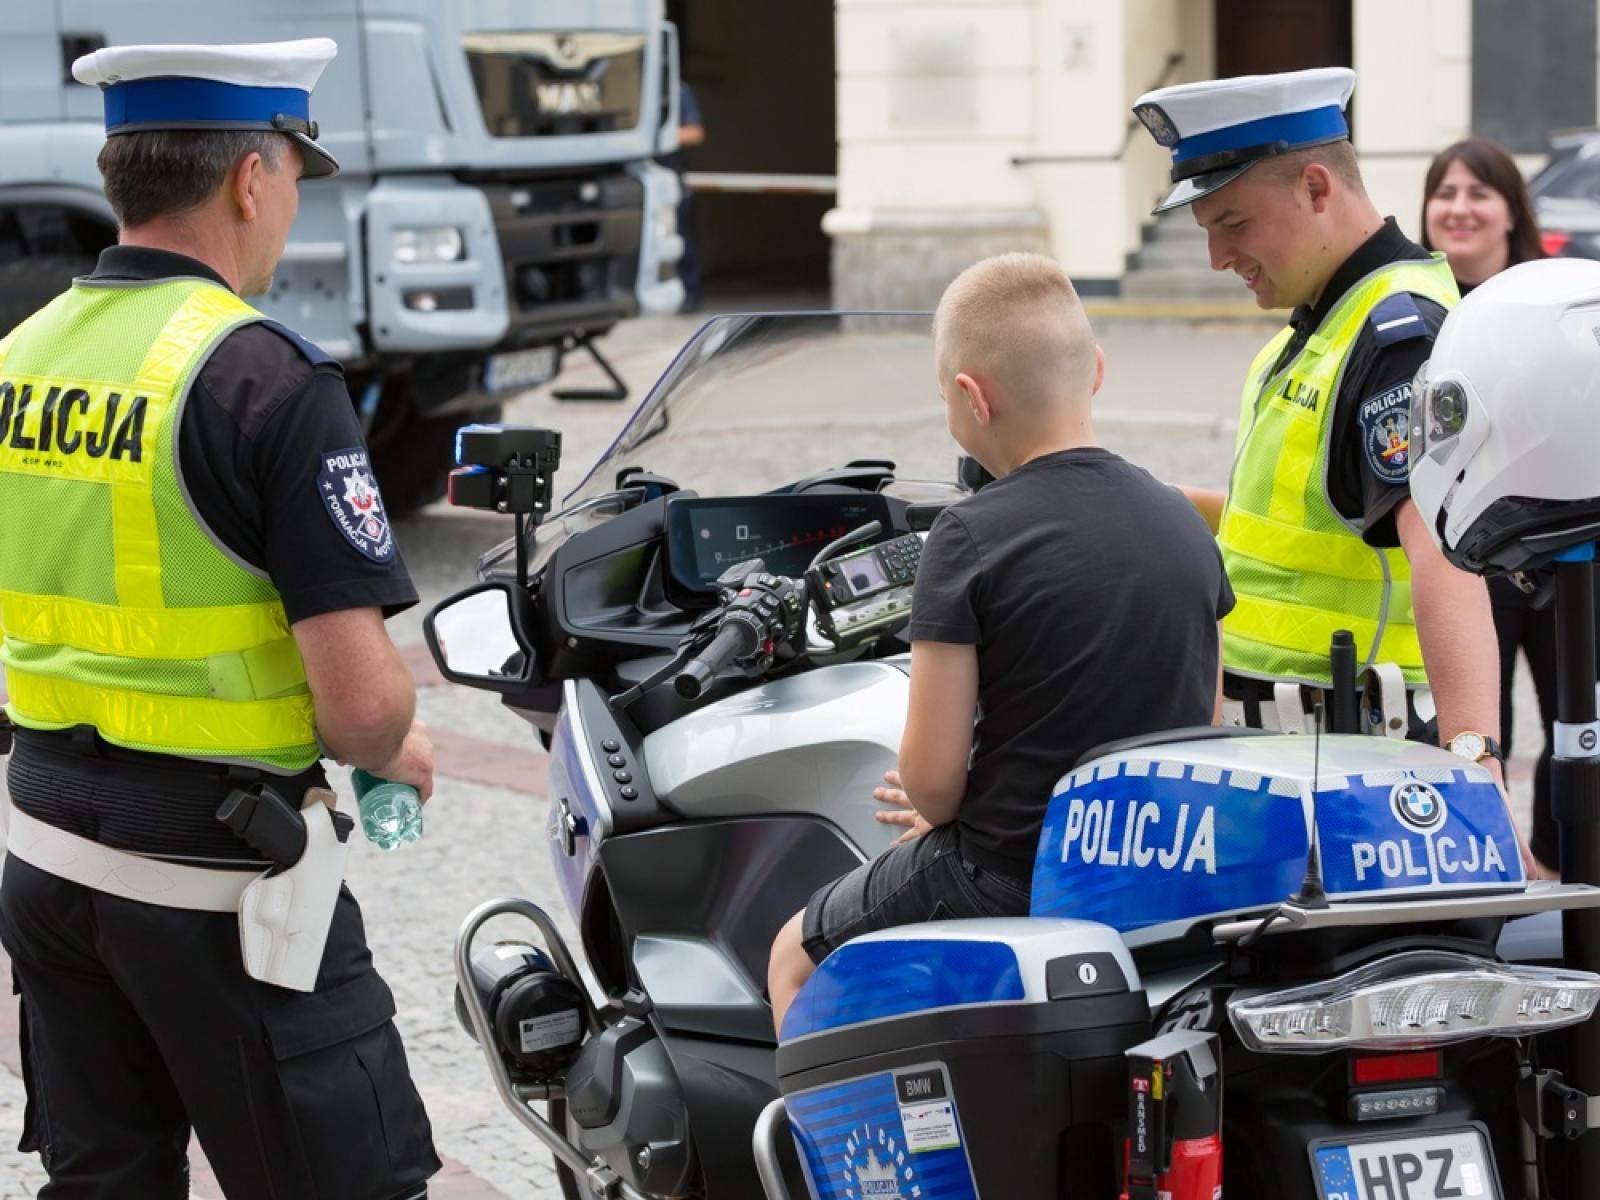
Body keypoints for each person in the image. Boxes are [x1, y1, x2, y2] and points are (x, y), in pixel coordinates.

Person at [0, 39, 440, 1197]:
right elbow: (358, 713)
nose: (289, 205)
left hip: (48, 853)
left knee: (106, 1181)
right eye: (295, 174)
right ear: (252, 178)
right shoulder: (265, 379)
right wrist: (400, 741)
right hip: (220, 883)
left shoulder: (19, 359)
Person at [766, 253, 1234, 1033]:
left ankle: (838, 1152)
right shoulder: (1181, 520)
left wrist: (939, 811)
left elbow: (936, 785)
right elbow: (1202, 722)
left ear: (969, 398)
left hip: (1013, 875)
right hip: (1149, 874)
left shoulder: (969, 534)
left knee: (792, 957)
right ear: (1097, 372)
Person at [1130, 68, 1535, 873]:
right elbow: (1299, 529)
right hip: (1300, 763)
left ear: (1316, 187)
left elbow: (1444, 559)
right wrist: (1139, 502)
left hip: (1358, 776)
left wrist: (1475, 771)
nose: (1217, 256)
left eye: (1233, 222)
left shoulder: (1397, 337)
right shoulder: (1318, 326)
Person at [1422, 136, 1556, 870]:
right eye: (1446, 193)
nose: (1460, 208)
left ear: (1512, 211)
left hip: (1566, 550)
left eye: (1479, 192)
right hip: (1469, 554)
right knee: (1478, 718)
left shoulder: (1550, 301)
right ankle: (1501, 868)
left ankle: (1575, 869)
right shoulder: (1414, 313)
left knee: (1580, 725)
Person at [661, 80, 706, 310]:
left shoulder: (677, 91)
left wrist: (660, 135)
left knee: (681, 237)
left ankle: (689, 292)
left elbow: (695, 132)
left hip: (671, 177)